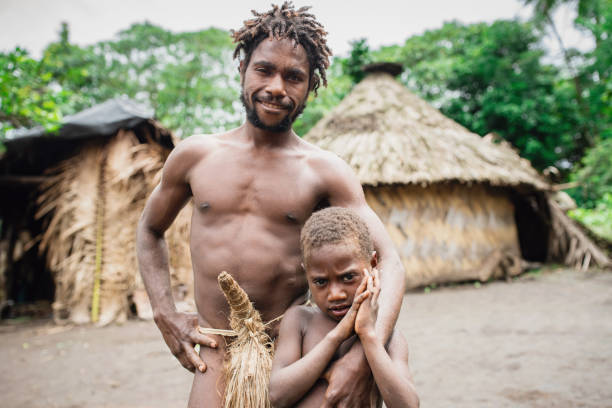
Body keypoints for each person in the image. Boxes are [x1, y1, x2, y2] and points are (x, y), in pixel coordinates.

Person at [136, 2, 406, 406]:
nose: (277, 87)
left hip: (295, 349)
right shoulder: (196, 156)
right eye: (264, 69)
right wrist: (165, 313)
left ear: (310, 86)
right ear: (243, 68)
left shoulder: (324, 171)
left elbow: (388, 261)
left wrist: (367, 356)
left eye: (293, 76)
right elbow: (150, 229)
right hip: (220, 348)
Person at [270, 207, 419, 408]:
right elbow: (276, 395)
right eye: (321, 282)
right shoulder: (300, 321)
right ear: (307, 275)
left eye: (348, 277)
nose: (336, 294)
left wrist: (368, 336)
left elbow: (409, 405)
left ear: (373, 263)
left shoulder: (390, 339)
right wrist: (338, 335)